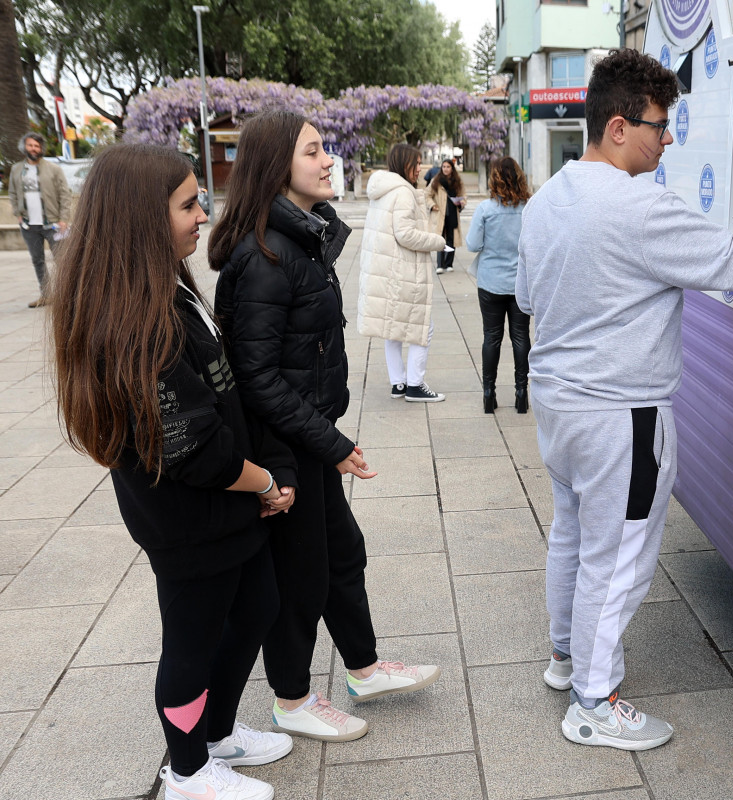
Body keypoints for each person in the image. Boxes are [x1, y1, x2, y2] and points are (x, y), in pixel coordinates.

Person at [516, 48, 733, 751]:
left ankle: (567, 658)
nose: (668, 140)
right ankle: (593, 702)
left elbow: (526, 297)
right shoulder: (641, 207)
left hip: (560, 406)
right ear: (620, 126)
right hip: (622, 416)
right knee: (620, 553)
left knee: (572, 535)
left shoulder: (549, 198)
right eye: (661, 125)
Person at [51, 143, 298, 800]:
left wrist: (268, 470)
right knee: (191, 646)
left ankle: (216, 735)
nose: (203, 214)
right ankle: (187, 771)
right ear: (140, 218)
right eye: (188, 203)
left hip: (230, 508)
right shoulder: (132, 324)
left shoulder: (170, 287)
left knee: (257, 609)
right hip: (190, 521)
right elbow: (198, 451)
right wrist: (267, 484)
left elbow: (226, 396)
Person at [209, 109, 440, 744]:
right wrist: (332, 444)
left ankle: (363, 669)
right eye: (312, 151)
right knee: (298, 577)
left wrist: (326, 441)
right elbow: (257, 378)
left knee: (343, 555)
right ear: (276, 165)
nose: (327, 160)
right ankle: (293, 698)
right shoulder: (265, 256)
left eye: (323, 149)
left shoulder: (300, 237)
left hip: (309, 436)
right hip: (284, 447)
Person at [357, 143, 448, 403]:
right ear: (402, 163)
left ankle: (398, 382)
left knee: (393, 329)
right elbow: (405, 234)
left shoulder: (383, 190)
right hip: (403, 272)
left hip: (387, 271)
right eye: (415, 163)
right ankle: (415, 385)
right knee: (422, 327)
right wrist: (437, 241)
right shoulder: (403, 193)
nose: (419, 169)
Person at [464, 156, 531, 414]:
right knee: (520, 336)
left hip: (490, 282)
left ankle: (489, 394)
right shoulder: (528, 207)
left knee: (491, 337)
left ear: (494, 179)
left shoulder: (485, 209)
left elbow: (472, 244)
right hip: (519, 283)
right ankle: (521, 393)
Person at [9, 132, 71, 307]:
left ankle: (69, 294)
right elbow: (13, 193)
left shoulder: (54, 169)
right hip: (29, 225)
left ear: (41, 148)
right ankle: (46, 295)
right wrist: (18, 214)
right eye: (30, 145)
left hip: (52, 224)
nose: (34, 149)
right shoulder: (16, 170)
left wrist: (64, 219)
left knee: (62, 260)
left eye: (37, 146)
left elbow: (65, 195)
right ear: (24, 147)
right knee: (38, 260)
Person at [426, 159, 465, 274]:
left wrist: (461, 202)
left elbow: (463, 195)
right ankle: (440, 264)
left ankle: (449, 263)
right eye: (443, 166)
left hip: (452, 213)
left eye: (448, 166)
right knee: (440, 240)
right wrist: (432, 205)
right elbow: (426, 195)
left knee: (451, 240)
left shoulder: (457, 181)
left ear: (452, 168)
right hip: (440, 215)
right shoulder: (436, 181)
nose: (445, 169)